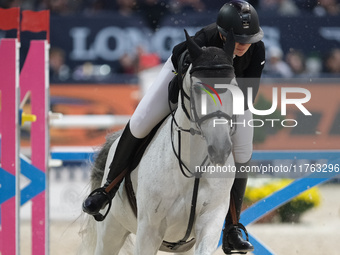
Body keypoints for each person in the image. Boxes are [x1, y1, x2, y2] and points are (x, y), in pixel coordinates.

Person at [83, 1, 265, 254]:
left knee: (244, 149)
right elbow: (178, 90)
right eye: (240, 38)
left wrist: (223, 117)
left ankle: (233, 227)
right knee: (140, 122)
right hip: (181, 84)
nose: (245, 44)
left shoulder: (257, 50)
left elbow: (248, 95)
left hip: (227, 99)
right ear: (224, 34)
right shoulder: (201, 42)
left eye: (250, 38)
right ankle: (108, 190)